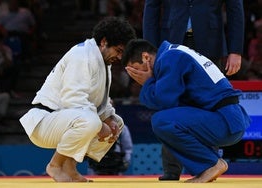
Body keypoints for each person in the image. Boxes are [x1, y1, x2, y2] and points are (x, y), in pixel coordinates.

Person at [19, 17, 136, 182]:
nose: (120, 56)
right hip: (45, 121)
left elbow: (100, 101)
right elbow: (73, 100)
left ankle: (70, 167)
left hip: (65, 120)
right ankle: (55, 165)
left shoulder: (102, 62)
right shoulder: (82, 55)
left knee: (117, 122)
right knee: (92, 122)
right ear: (104, 42)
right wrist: (99, 124)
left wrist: (108, 119)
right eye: (118, 50)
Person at [121, 39, 250, 183]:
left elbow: (164, 102)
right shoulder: (174, 52)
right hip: (226, 118)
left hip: (225, 121)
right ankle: (209, 165)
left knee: (161, 121)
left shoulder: (170, 57)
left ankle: (211, 164)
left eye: (135, 69)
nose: (136, 75)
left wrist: (148, 83)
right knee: (173, 116)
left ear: (146, 57)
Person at [142, 0, 245, 180]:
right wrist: (149, 50)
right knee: (169, 104)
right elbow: (152, 7)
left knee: (207, 104)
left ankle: (209, 165)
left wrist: (235, 49)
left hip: (210, 41)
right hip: (172, 36)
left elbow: (234, 6)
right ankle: (171, 170)